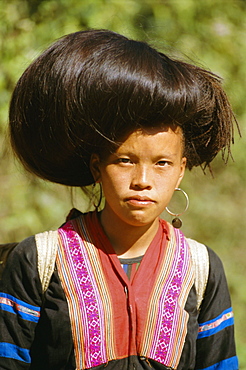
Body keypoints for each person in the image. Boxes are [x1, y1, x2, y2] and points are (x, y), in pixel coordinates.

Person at [0, 29, 239, 370]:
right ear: (97, 166)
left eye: (162, 164)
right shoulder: (38, 261)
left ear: (181, 170)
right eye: (125, 160)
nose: (142, 181)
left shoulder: (201, 268)